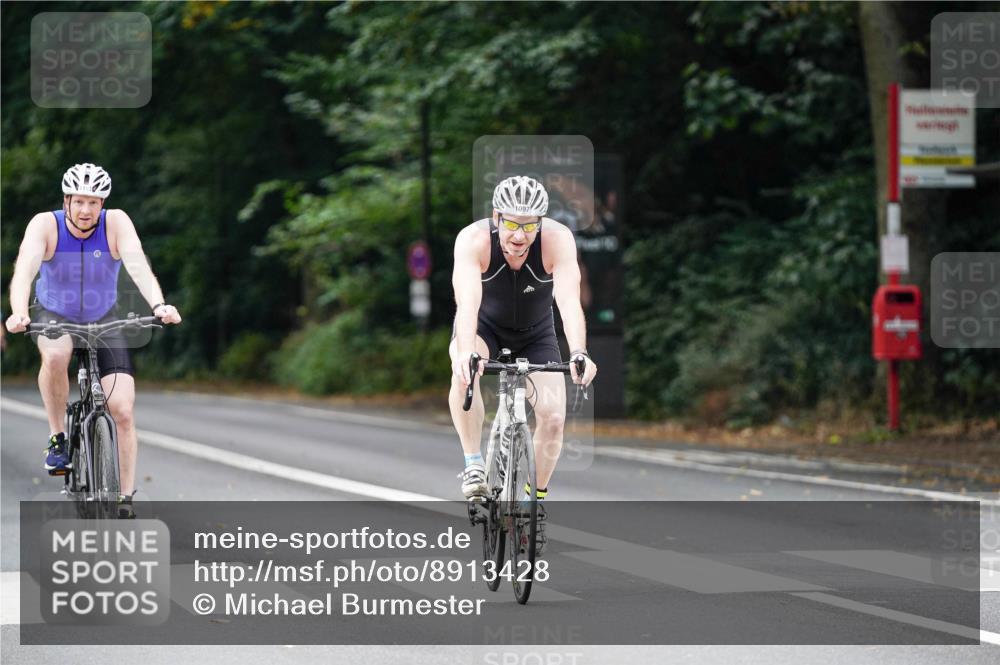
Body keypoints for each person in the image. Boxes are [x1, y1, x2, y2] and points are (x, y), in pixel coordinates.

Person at [5, 163, 182, 509]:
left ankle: (125, 498)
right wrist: (19, 311)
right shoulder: (46, 225)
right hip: (54, 313)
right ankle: (58, 438)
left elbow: (137, 266)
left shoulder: (116, 222)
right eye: (80, 202)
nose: (86, 210)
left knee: (123, 411)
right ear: (66, 200)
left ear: (103, 204)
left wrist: (159, 304)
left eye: (94, 202)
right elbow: (24, 270)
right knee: (55, 356)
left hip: (104, 317)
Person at [450, 175, 597, 554]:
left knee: (552, 417)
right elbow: (467, 305)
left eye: (529, 224)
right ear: (496, 216)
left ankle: (534, 504)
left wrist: (578, 351)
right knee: (463, 370)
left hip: (536, 333)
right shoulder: (473, 241)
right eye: (512, 223)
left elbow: (568, 300)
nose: (520, 235)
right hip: (484, 327)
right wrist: (468, 352)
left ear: (541, 222)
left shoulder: (556, 239)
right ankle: (473, 463)